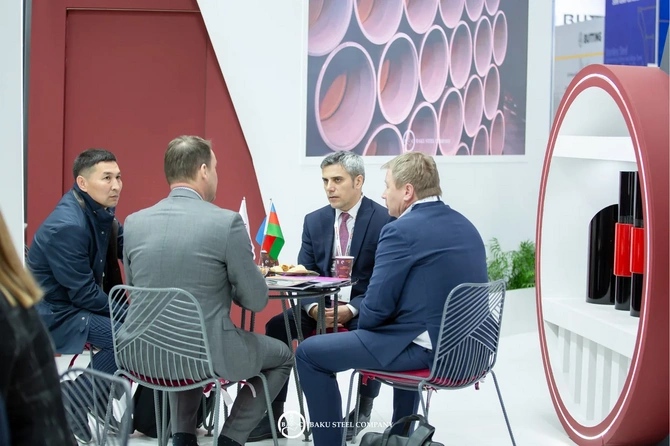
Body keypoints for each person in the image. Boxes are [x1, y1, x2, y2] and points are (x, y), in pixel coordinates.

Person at [295, 152, 489, 445]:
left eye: (388, 186)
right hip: (473, 355)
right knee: (402, 331)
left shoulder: (399, 231)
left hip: (433, 355)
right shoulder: (466, 225)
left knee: (309, 354)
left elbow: (375, 311)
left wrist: (361, 321)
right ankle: (400, 438)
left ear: (407, 191)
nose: (384, 195)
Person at [122, 135, 294, 446]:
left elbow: (136, 291)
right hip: (206, 353)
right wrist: (233, 284)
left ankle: (183, 437)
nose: (216, 175)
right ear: (203, 170)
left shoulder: (133, 223)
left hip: (140, 354)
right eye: (215, 168)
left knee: (183, 339)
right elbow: (256, 300)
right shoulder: (226, 223)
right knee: (282, 356)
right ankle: (230, 439)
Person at [248, 151, 393, 441]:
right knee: (276, 326)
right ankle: (273, 414)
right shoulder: (314, 221)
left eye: (337, 180)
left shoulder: (384, 220)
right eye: (325, 181)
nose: (329, 187)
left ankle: (363, 409)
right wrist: (313, 308)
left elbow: (383, 280)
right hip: (320, 306)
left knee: (373, 327)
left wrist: (352, 309)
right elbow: (304, 275)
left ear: (358, 181)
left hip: (362, 308)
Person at [0, 210, 77, 446]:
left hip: (60, 315)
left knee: (118, 336)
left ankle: (79, 399)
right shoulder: (70, 223)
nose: (116, 190)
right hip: (61, 314)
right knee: (119, 335)